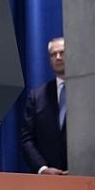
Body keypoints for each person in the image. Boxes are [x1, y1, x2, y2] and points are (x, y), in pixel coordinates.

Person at [20, 37, 68, 174]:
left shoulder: (85, 93)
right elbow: (27, 139)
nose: (58, 57)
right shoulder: (37, 96)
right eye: (53, 54)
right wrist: (43, 169)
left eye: (62, 53)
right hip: (47, 181)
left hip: (85, 178)